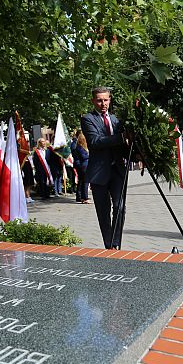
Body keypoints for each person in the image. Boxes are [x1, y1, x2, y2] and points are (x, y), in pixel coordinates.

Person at [81, 87, 126, 250]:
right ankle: (109, 246)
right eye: (99, 100)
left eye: (106, 100)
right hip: (99, 172)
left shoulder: (116, 120)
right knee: (103, 211)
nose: (103, 103)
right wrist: (121, 138)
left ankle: (116, 244)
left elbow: (123, 146)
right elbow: (95, 141)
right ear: (93, 101)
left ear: (110, 99)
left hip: (117, 171)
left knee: (120, 207)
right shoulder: (88, 119)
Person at [74, 132, 90, 204]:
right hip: (84, 166)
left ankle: (82, 197)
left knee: (83, 182)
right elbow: (84, 157)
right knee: (85, 182)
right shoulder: (80, 148)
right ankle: (85, 198)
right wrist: (89, 155)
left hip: (84, 166)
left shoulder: (80, 147)